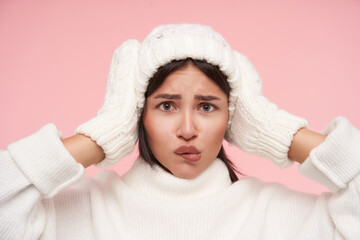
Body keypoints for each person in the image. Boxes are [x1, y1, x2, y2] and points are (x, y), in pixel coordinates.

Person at [0, 24, 359, 239]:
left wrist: (277, 132)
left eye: (207, 107)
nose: (187, 130)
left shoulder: (282, 216)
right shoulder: (79, 212)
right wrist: (102, 134)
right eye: (166, 105)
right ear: (137, 114)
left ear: (233, 117)